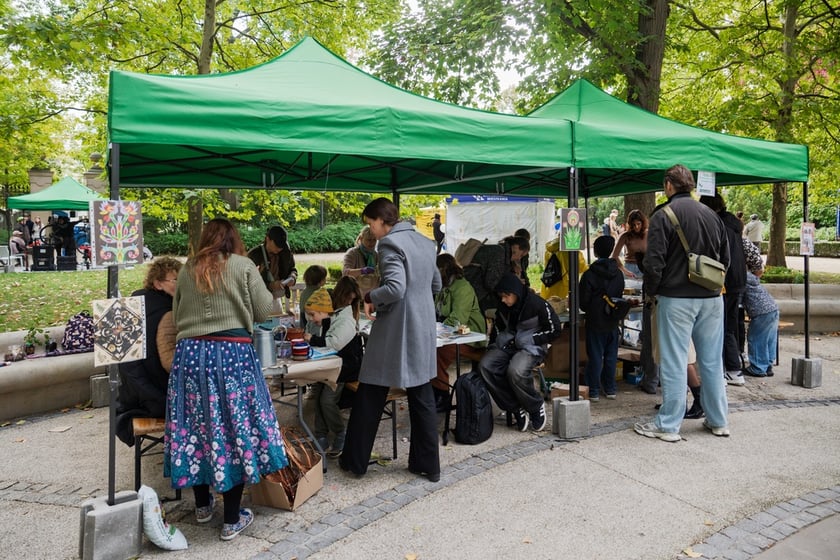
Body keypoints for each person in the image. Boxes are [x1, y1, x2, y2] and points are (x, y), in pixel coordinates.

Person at [167, 218, 288, 541]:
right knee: (234, 427)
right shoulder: (244, 265)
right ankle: (232, 519)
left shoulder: (187, 268)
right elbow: (264, 311)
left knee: (197, 426)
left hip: (190, 356)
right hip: (231, 355)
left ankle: (203, 506)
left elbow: (178, 316)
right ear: (234, 240)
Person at [339, 198, 442, 482]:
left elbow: (395, 288)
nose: (371, 230)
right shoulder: (424, 242)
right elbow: (436, 285)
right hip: (422, 326)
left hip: (395, 328)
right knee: (421, 395)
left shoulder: (389, 244)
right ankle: (429, 466)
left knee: (370, 392)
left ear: (382, 220)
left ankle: (355, 462)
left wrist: (371, 296)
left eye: (371, 224)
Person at [636, 164, 730, 442]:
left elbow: (654, 264)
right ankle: (718, 421)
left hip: (676, 298)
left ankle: (668, 425)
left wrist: (651, 292)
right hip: (712, 298)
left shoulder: (663, 215)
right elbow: (725, 259)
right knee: (712, 362)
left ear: (668, 185)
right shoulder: (712, 215)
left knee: (675, 361)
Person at [479, 272, 561, 432]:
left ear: (515, 293)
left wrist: (532, 338)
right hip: (508, 344)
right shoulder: (503, 306)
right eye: (501, 296)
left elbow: (555, 329)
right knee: (485, 366)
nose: (503, 299)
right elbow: (498, 328)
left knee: (515, 370)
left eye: (506, 296)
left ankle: (535, 405)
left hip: (532, 347)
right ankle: (515, 407)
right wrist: (494, 344)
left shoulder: (537, 304)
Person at [115, 257, 183, 445]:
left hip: (129, 396)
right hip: (158, 398)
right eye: (176, 280)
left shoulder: (129, 304)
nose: (181, 284)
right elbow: (170, 362)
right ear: (158, 284)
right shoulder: (168, 312)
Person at [303, 280, 364, 458]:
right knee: (319, 396)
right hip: (333, 365)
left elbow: (333, 344)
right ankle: (321, 435)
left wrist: (311, 339)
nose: (313, 318)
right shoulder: (335, 315)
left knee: (326, 400)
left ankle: (340, 433)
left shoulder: (345, 319)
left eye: (314, 315)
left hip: (345, 368)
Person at [700, 193, 747, 387]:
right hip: (738, 281)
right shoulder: (733, 224)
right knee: (731, 326)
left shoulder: (717, 224)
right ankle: (732, 369)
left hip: (724, 281)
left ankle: (729, 370)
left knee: (721, 328)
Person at [433, 253, 487, 412]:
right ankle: (434, 390)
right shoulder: (444, 287)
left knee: (437, 352)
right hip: (451, 333)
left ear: (443, 270)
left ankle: (442, 395)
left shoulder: (463, 288)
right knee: (426, 349)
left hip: (470, 337)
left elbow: (458, 319)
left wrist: (438, 328)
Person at [579, 236, 624, 402]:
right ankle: (610, 388)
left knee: (596, 356)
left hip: (595, 319)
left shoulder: (589, 274)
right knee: (611, 355)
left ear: (595, 252)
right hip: (612, 318)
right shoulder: (618, 273)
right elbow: (619, 294)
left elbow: (583, 302)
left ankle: (594, 391)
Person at [742, 271, 779, 377]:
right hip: (773, 308)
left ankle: (758, 367)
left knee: (756, 338)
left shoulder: (742, 278)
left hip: (761, 312)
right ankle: (768, 365)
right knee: (769, 340)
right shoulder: (752, 279)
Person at [248, 225, 297, 299]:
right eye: (277, 244)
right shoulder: (255, 255)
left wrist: (293, 276)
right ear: (268, 239)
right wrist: (271, 285)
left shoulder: (285, 252)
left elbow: (292, 268)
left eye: (282, 245)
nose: (279, 248)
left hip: (277, 298)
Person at [342, 225, 379, 297]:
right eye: (368, 240)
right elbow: (345, 273)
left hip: (371, 296)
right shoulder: (352, 253)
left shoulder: (376, 255)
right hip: (355, 296)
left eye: (374, 240)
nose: (371, 243)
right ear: (361, 239)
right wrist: (362, 271)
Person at [611, 209, 648, 279]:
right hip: (629, 268)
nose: (636, 227)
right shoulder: (625, 236)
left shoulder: (649, 234)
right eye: (633, 225)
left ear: (643, 223)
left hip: (645, 268)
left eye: (638, 224)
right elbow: (614, 256)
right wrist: (624, 270)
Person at [299, 264, 327, 333]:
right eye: (325, 278)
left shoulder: (305, 291)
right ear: (320, 281)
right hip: (313, 322)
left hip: (303, 321)